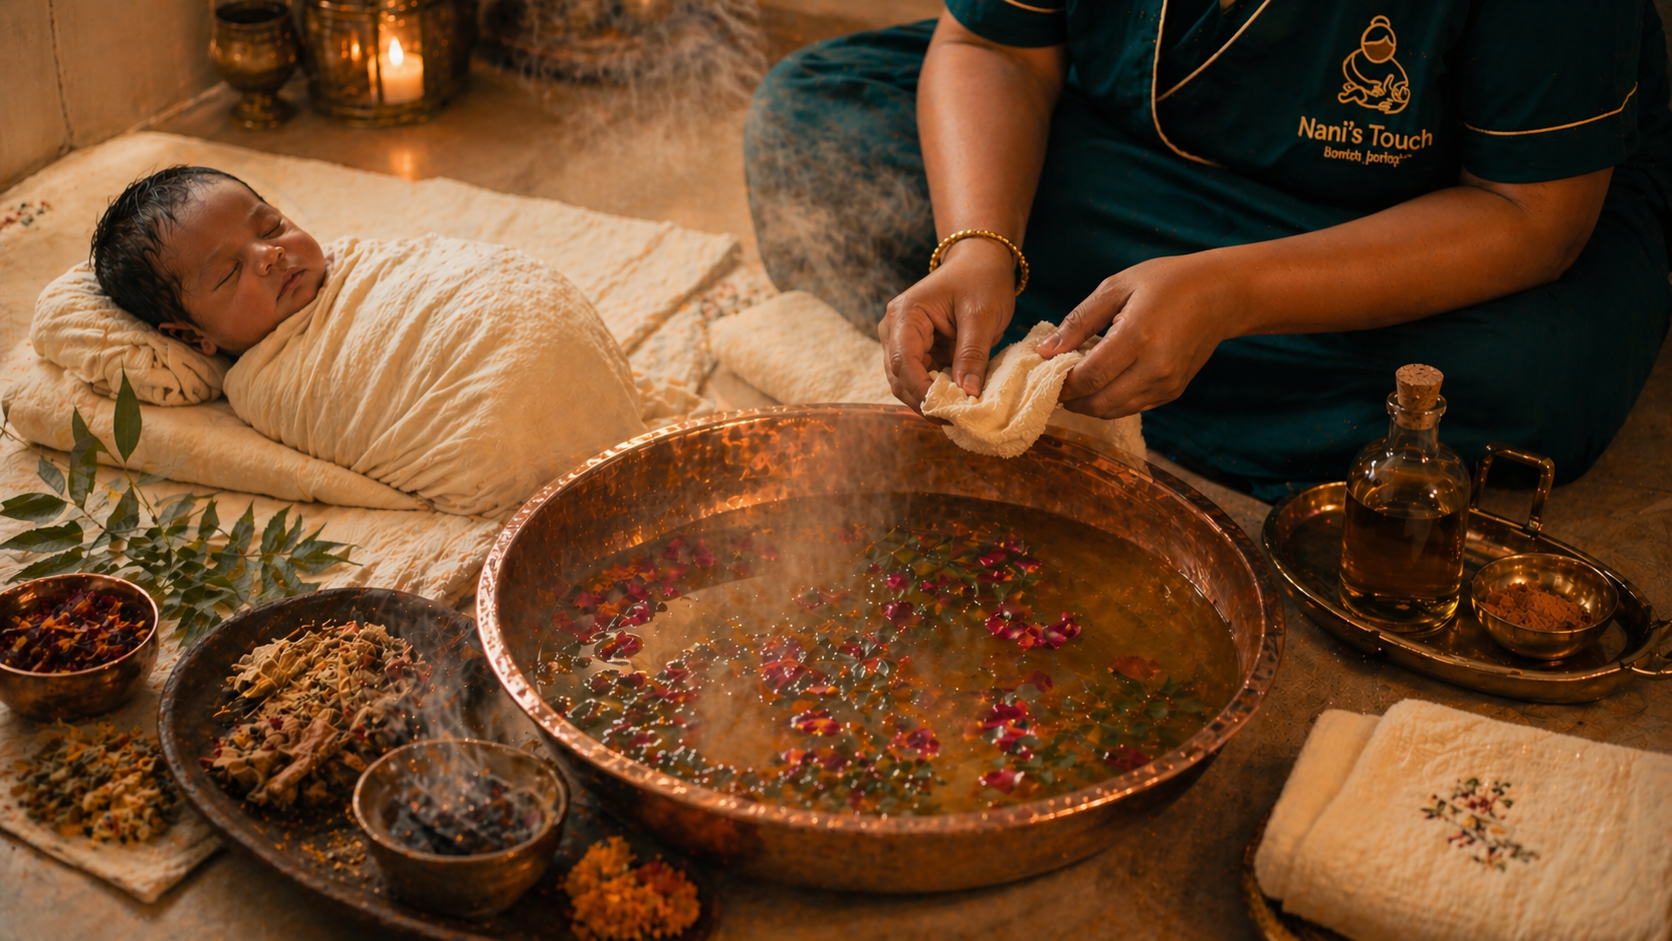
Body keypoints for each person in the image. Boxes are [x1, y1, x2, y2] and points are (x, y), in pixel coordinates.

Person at [744, 1, 1672, 499]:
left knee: (1525, 375)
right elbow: (998, 49)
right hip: (1134, 153)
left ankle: (1139, 335)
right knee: (813, 126)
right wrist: (976, 244)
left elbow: (1530, 214)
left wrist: (1234, 291)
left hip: (1430, 215)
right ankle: (1122, 336)